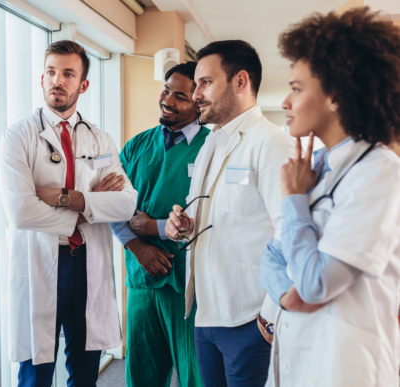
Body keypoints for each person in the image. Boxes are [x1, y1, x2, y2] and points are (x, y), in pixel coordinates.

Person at [258, 8, 400, 386]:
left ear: (335, 95)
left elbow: (316, 284)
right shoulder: (316, 166)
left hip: (346, 367)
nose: (286, 102)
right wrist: (287, 296)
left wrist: (293, 199)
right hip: (299, 357)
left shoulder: (380, 172)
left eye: (297, 88)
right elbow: (270, 256)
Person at [0, 40, 137, 387]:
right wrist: (91, 206)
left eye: (68, 74)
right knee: (36, 374)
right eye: (50, 72)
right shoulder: (18, 137)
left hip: (86, 263)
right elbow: (20, 212)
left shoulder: (100, 140)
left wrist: (68, 198)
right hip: (42, 264)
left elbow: (126, 203)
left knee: (86, 372)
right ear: (42, 78)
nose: (57, 80)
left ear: (83, 85)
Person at [165, 40, 294, 387]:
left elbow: (292, 234)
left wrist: (267, 322)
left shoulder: (271, 144)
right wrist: (184, 226)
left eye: (206, 83)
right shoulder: (211, 142)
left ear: (240, 81)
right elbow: (221, 219)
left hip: (249, 321)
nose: (195, 95)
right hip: (206, 316)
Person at [111, 62, 206, 387]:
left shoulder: (212, 147)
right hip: (142, 280)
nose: (167, 99)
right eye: (166, 89)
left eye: (180, 96)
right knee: (141, 375)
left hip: (189, 287)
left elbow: (214, 216)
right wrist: (137, 247)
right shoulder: (136, 146)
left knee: (196, 375)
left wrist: (151, 225)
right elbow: (112, 207)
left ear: (198, 102)